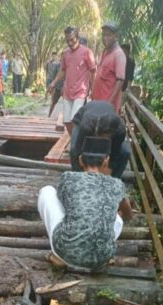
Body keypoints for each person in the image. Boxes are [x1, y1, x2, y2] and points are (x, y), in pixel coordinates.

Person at [37, 138, 134, 271]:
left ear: (81, 160)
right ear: (106, 161)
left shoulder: (68, 177)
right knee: (117, 219)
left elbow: (65, 205)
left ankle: (59, 257)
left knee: (47, 191)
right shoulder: (117, 184)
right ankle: (100, 252)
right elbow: (128, 215)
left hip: (66, 252)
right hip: (101, 259)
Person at [48, 26, 97, 134]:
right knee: (66, 121)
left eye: (72, 40)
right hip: (68, 92)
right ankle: (74, 139)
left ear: (77, 38)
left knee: (75, 118)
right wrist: (53, 83)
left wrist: (93, 90)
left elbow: (93, 72)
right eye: (67, 40)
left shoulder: (87, 52)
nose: (70, 43)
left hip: (81, 92)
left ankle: (76, 143)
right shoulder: (66, 53)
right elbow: (62, 70)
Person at [69, 100, 131, 179]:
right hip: (81, 120)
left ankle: (114, 180)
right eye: (103, 135)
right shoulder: (86, 126)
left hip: (105, 122)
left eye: (108, 136)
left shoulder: (120, 131)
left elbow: (114, 155)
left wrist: (108, 174)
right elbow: (78, 151)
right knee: (73, 150)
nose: (103, 139)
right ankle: (77, 177)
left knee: (125, 152)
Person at [92, 22, 126, 112]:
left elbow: (120, 80)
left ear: (115, 36)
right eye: (103, 35)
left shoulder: (118, 54)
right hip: (97, 101)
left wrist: (109, 102)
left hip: (107, 105)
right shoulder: (104, 51)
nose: (105, 38)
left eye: (108, 35)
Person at [45, 51, 64, 117]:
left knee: (67, 104)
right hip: (58, 87)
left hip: (66, 88)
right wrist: (52, 86)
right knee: (53, 102)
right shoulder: (57, 65)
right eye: (63, 56)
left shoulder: (69, 65)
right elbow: (54, 76)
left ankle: (65, 119)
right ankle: (49, 115)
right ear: (61, 57)